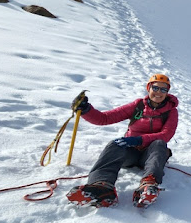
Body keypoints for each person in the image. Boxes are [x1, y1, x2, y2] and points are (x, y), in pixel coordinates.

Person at [66, 74, 179, 208]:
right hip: (130, 154)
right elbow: (105, 118)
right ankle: (102, 187)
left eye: (163, 89)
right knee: (115, 143)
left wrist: (138, 140)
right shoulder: (138, 105)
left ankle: (148, 186)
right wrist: (86, 110)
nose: (159, 92)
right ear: (148, 88)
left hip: (151, 156)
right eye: (155, 88)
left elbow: (166, 135)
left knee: (159, 143)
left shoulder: (171, 111)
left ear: (167, 92)